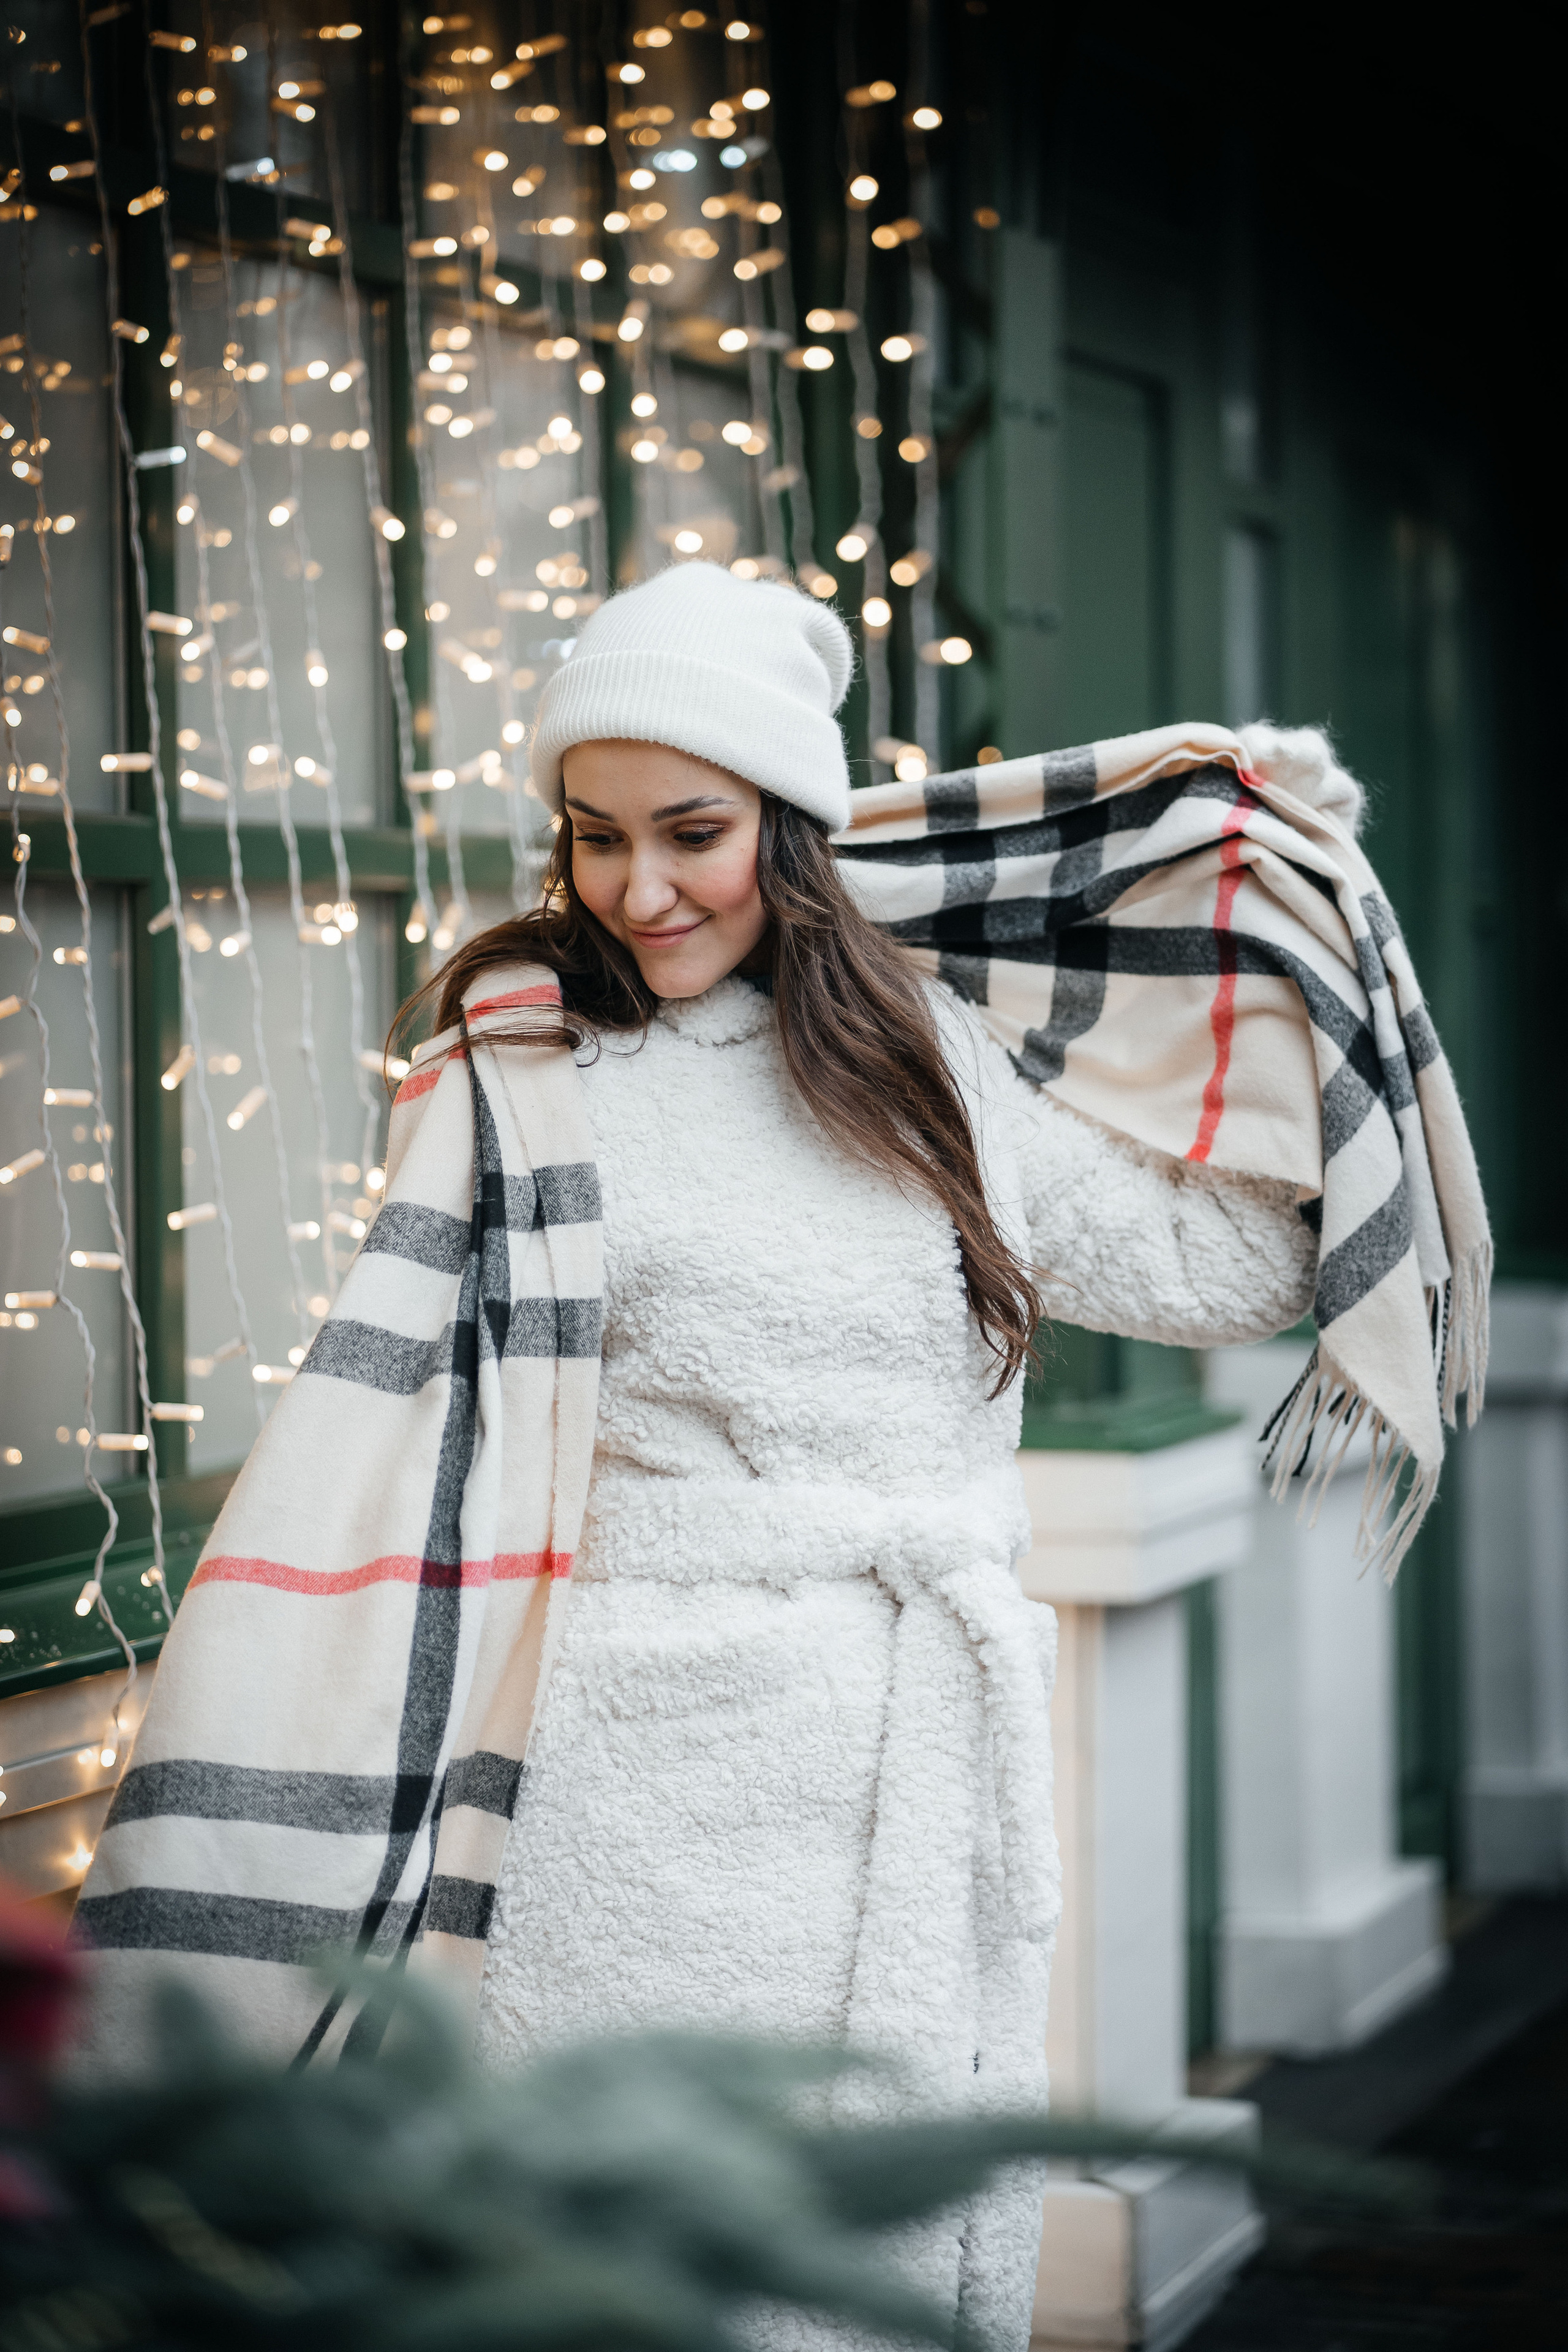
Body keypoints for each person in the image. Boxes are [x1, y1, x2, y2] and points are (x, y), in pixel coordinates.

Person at [416, 564, 1317, 2342]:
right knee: (650, 2252)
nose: (641, 888)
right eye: (596, 837)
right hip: (633, 1759)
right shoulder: (526, 1065)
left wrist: (1263, 935)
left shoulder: (930, 1060)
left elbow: (1241, 1269)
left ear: (794, 826)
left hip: (910, 1726)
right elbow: (426, 1436)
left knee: (879, 2236)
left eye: (694, 831)